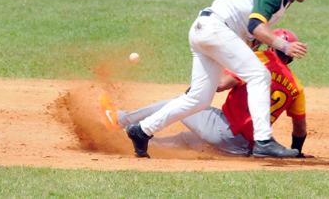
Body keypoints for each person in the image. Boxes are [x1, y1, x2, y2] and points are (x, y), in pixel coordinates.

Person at [124, 0, 324, 158]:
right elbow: (255, 25)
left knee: (198, 99)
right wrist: (285, 45)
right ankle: (264, 140)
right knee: (259, 74)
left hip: (208, 30)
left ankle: (141, 130)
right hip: (215, 28)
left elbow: (249, 34)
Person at [100, 29, 313, 158]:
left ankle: (119, 119)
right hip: (243, 148)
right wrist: (296, 152)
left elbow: (221, 84)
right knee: (184, 140)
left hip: (224, 129)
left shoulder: (262, 59)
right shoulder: (296, 87)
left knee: (181, 103)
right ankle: (121, 146)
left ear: (272, 46)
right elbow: (300, 129)